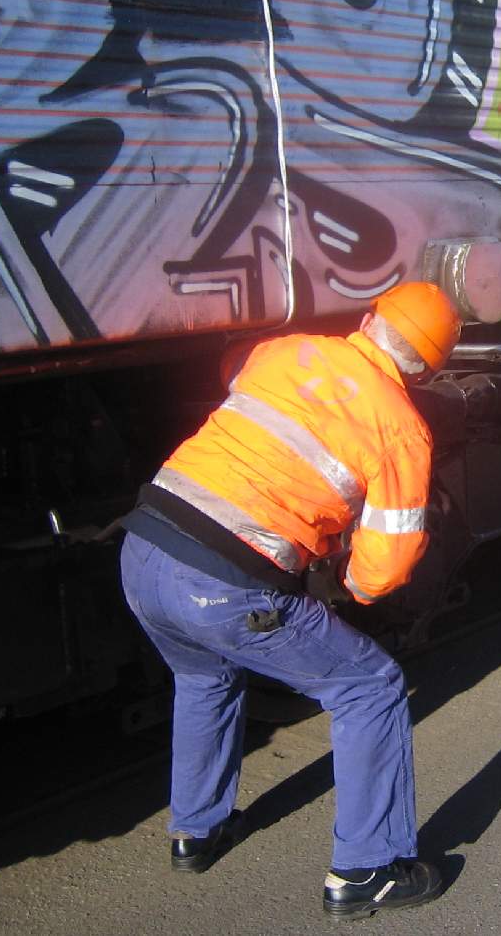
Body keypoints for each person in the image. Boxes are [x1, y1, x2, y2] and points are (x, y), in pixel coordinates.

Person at [119, 281, 461, 923]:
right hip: (222, 584)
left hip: (143, 547)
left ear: (369, 319)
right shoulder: (403, 426)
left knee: (203, 675)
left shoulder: (288, 350)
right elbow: (385, 565)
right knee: (371, 686)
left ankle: (196, 830)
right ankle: (369, 870)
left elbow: (254, 419)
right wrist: (347, 588)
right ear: (428, 367)